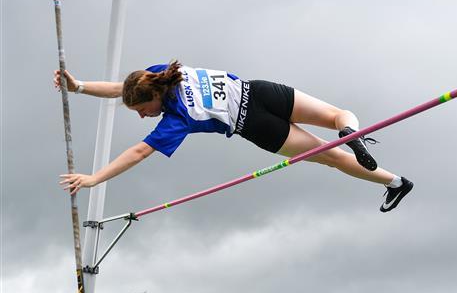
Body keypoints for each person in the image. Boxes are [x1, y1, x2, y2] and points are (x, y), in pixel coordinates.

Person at [54, 61, 414, 213]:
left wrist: (94, 178)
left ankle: (392, 179)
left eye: (141, 110)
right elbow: (122, 87)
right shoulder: (158, 74)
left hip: (255, 126)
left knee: (331, 156)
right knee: (337, 115)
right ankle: (363, 146)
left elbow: (137, 152)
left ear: (156, 96)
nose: (141, 115)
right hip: (260, 91)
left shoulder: (177, 117)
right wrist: (80, 86)